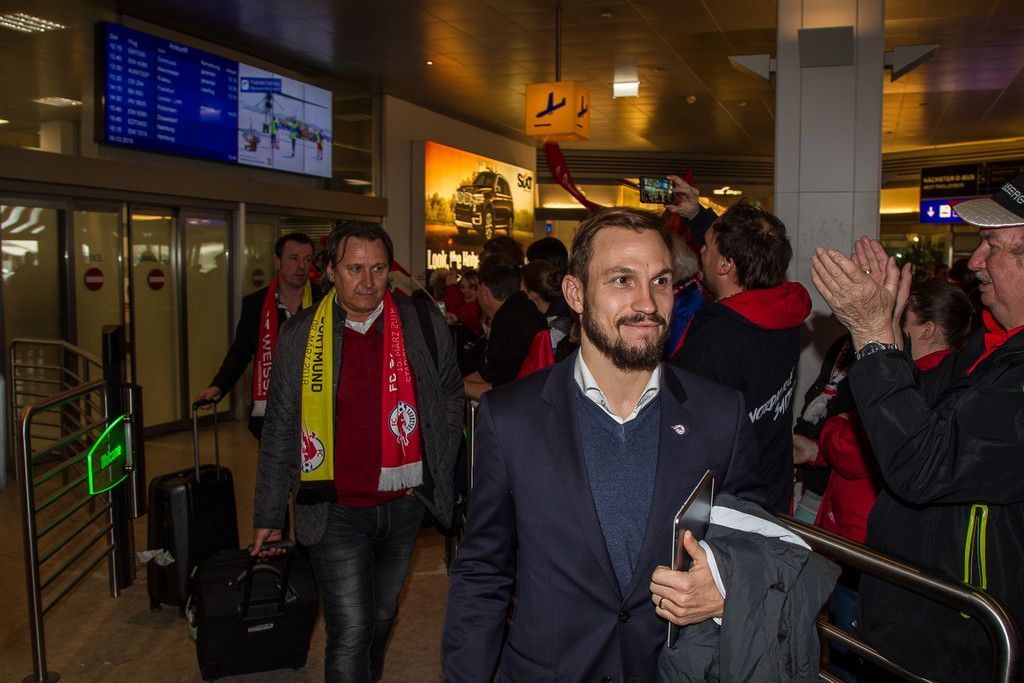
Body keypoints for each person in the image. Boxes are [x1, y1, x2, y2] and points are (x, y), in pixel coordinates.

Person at [442, 207, 767, 682]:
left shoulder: (720, 415)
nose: (648, 304)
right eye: (621, 280)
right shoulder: (511, 418)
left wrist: (723, 583)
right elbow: (483, 573)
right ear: (575, 293)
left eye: (660, 282)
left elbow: (753, 541)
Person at [809, 173, 1024, 682]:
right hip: (918, 618)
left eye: (990, 245)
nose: (974, 262)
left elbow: (924, 466)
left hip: (966, 644)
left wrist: (872, 336)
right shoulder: (990, 343)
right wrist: (884, 331)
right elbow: (914, 413)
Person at [251, 222, 464, 682]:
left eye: (378, 268)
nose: (368, 282)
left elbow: (449, 395)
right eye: (354, 269)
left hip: (404, 505)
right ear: (329, 271)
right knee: (350, 628)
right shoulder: (301, 336)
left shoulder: (421, 323)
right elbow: (281, 426)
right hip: (334, 508)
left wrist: (436, 464)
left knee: (382, 617)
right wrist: (267, 514)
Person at [670, 201, 811, 514]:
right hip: (772, 491)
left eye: (706, 246)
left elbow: (680, 435)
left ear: (725, 265)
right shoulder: (785, 313)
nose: (701, 252)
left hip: (728, 508)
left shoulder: (715, 339)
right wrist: (697, 214)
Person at [194, 232, 317, 439]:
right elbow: (240, 353)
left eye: (307, 259)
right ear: (277, 262)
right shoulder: (256, 305)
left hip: (315, 411)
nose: (301, 266)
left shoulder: (323, 302)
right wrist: (218, 386)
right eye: (294, 258)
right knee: (273, 470)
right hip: (273, 413)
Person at [462, 254, 546, 399]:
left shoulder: (509, 325)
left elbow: (500, 391)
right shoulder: (526, 312)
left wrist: (453, 387)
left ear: (484, 291)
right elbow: (489, 373)